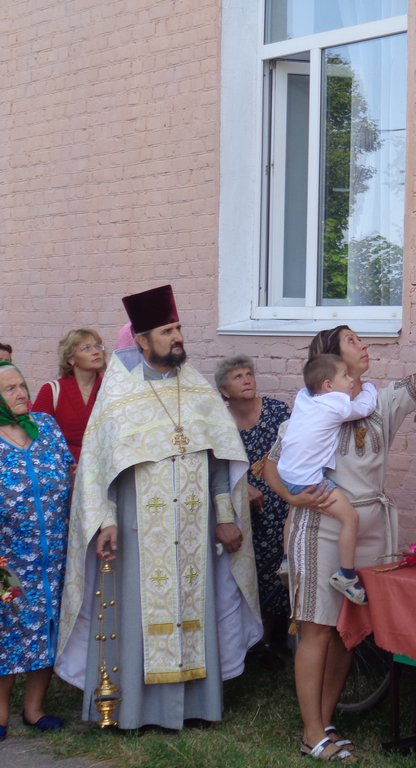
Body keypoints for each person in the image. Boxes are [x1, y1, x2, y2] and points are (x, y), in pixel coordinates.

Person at [55, 284, 262, 731]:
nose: (177, 337)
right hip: (136, 527)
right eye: (167, 331)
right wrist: (106, 521)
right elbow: (99, 468)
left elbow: (219, 461)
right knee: (134, 616)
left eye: (179, 328)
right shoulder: (119, 395)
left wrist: (224, 517)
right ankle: (134, 711)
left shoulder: (199, 390)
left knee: (193, 607)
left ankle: (196, 706)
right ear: (143, 340)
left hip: (192, 525)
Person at [262, 325, 416, 761]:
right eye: (354, 341)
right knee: (317, 629)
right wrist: (291, 496)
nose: (365, 345)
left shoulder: (379, 401)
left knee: (346, 633)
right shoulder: (311, 409)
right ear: (332, 362)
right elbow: (270, 466)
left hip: (369, 530)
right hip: (320, 526)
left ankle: (327, 719)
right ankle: (310, 732)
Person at [0, 362, 74, 741]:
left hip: (53, 555)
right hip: (5, 560)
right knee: (6, 631)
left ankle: (34, 709)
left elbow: (69, 472)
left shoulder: (45, 427)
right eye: (9, 388)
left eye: (22, 385)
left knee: (46, 628)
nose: (21, 393)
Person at [277, 354, 377, 606]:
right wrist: (369, 388)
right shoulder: (337, 406)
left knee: (293, 510)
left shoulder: (304, 397)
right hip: (308, 479)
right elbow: (365, 407)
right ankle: (346, 575)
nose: (351, 380)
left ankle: (288, 559)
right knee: (350, 518)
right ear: (328, 386)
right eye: (345, 376)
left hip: (287, 471)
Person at [216, 354, 292, 666]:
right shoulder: (218, 420)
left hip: (280, 499)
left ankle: (270, 639)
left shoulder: (276, 411)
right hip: (237, 505)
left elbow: (296, 451)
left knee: (277, 566)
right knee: (244, 566)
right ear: (224, 390)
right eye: (238, 377)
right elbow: (216, 464)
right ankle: (247, 638)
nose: (247, 380)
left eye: (249, 374)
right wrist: (243, 486)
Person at [32, 328, 107, 464]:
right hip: (65, 471)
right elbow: (38, 438)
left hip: (103, 469)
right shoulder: (51, 391)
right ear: (71, 359)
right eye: (86, 348)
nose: (96, 352)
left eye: (98, 346)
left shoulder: (111, 389)